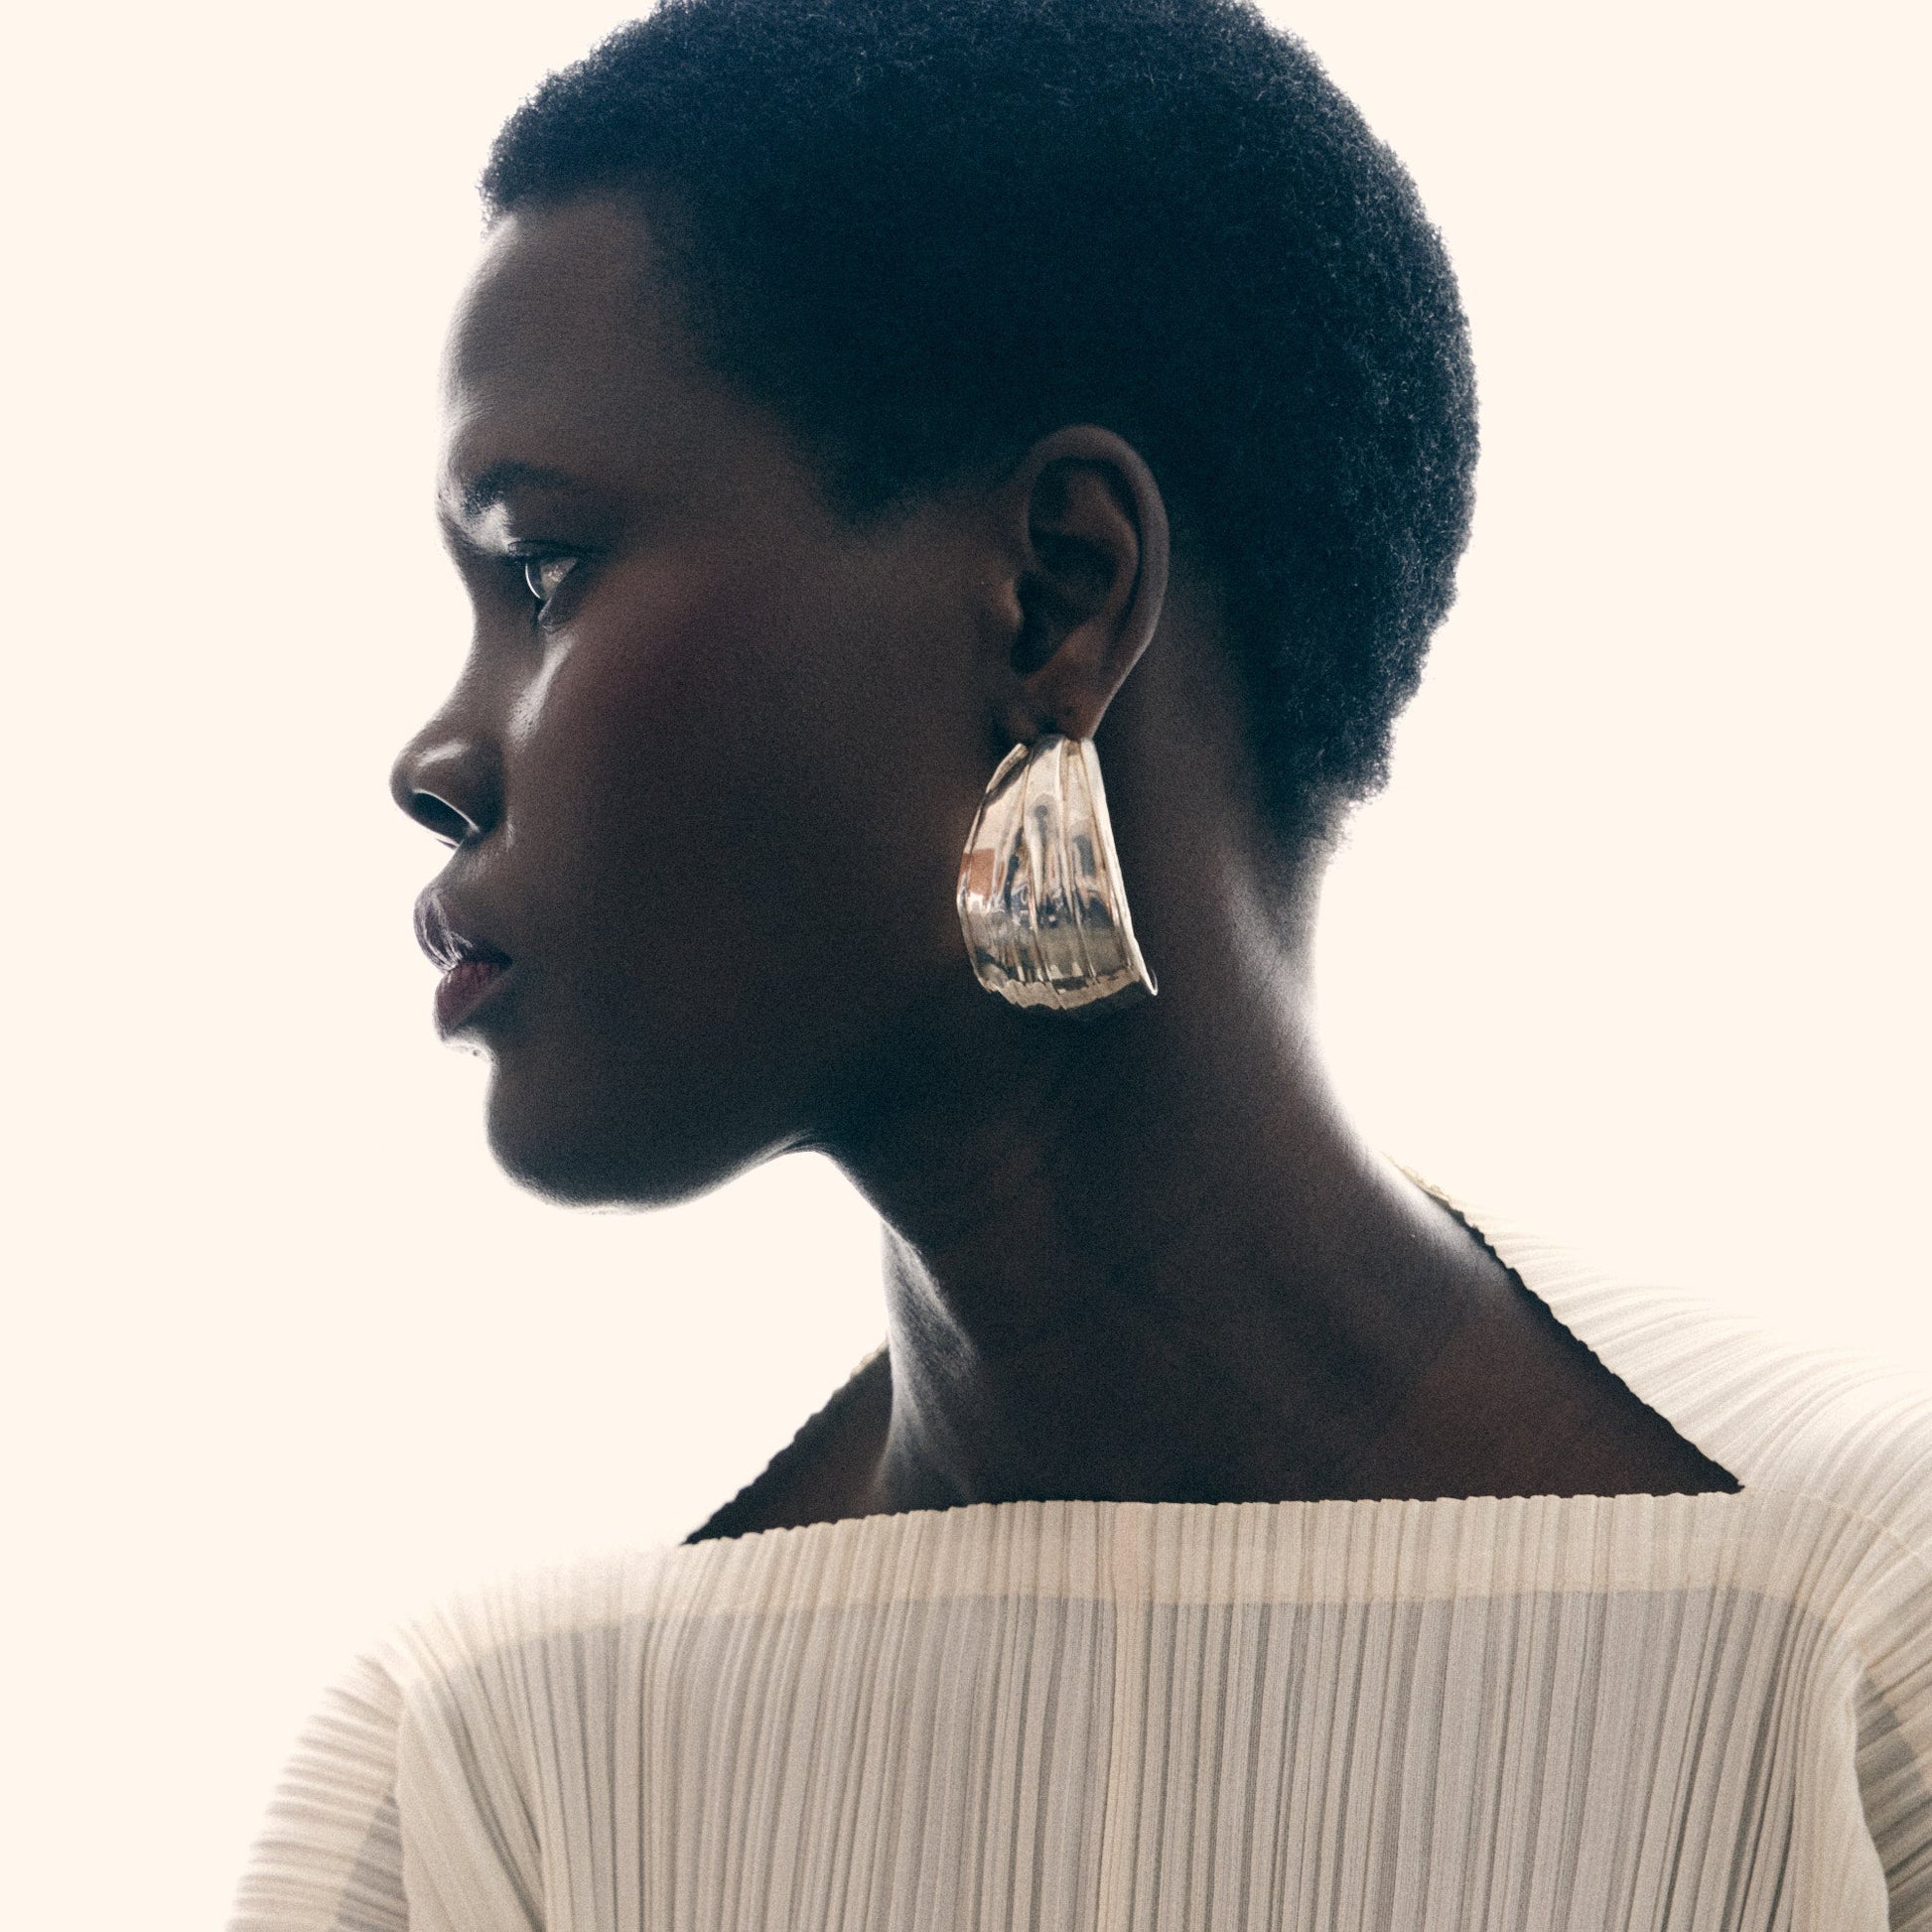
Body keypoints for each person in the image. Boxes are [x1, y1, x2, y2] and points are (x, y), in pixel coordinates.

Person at [231, 1, 1932, 1925]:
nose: (437, 754)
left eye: (543, 569)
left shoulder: (1853, 1646)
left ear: (1053, 592)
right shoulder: (491, 1773)